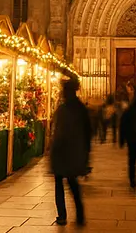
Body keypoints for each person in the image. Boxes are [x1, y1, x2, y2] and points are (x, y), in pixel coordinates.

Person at [50, 78, 91, 226]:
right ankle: (80, 214)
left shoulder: (63, 109)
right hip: (74, 152)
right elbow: (88, 133)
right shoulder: (81, 109)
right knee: (73, 183)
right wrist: (86, 153)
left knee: (59, 183)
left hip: (62, 152)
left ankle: (62, 215)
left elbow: (57, 133)